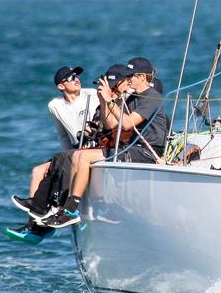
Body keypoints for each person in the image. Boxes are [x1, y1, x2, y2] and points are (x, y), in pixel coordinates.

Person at [43, 62, 169, 228]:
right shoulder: (132, 98)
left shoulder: (152, 96)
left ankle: (72, 209)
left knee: (85, 157)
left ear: (141, 77)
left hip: (146, 152)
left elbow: (127, 123)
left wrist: (110, 101)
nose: (127, 80)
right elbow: (110, 125)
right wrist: (104, 100)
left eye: (130, 76)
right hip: (132, 148)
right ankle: (70, 209)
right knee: (78, 154)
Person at [5, 65, 99, 244]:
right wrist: (65, 158)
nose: (77, 80)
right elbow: (63, 135)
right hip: (73, 148)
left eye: (77, 76)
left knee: (66, 162)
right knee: (38, 171)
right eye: (71, 78)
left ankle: (50, 216)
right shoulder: (55, 106)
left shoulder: (92, 95)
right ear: (61, 86)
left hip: (91, 146)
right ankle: (35, 223)